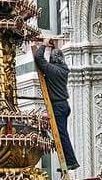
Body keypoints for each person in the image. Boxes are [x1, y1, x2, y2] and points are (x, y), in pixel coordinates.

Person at [32, 39, 79, 171]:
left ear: (53, 59)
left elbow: (39, 58)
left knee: (61, 134)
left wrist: (43, 45)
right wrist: (53, 48)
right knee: (62, 133)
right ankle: (68, 161)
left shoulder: (52, 70)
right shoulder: (63, 69)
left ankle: (70, 161)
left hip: (58, 106)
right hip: (63, 105)